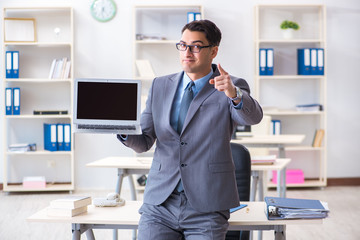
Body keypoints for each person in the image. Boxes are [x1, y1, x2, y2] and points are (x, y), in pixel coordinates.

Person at [117, 19, 263, 240]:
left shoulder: (230, 84)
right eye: (183, 45)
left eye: (196, 46)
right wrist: (123, 127)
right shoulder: (160, 86)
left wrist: (234, 95)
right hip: (160, 203)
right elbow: (144, 141)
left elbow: (253, 117)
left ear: (213, 51)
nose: (187, 52)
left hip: (207, 205)